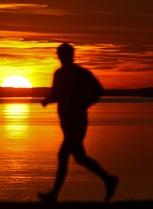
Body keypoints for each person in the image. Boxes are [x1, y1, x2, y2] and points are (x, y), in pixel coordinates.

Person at [38, 43, 118, 203]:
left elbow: (98, 91)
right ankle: (109, 180)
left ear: (71, 55)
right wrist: (47, 100)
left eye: (64, 55)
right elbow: (57, 93)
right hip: (65, 121)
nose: (61, 58)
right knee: (80, 157)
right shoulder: (59, 74)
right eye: (60, 55)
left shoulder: (82, 74)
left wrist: (85, 104)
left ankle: (53, 195)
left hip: (78, 121)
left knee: (63, 155)